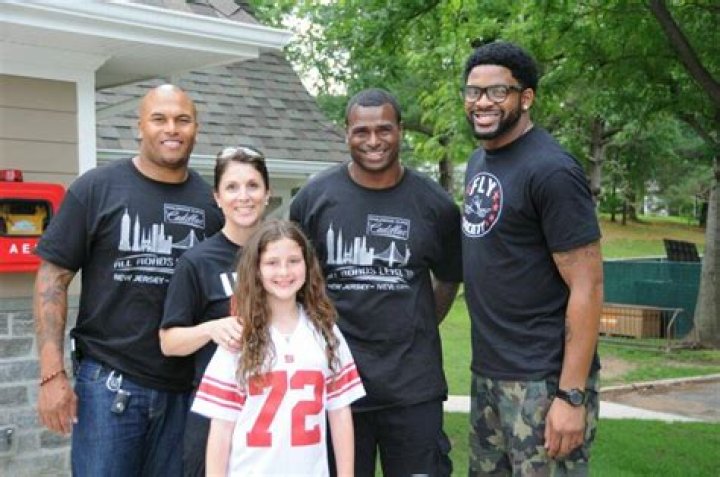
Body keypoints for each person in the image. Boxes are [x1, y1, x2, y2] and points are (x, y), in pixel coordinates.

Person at [33, 84, 224, 476]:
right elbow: (52, 277)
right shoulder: (96, 188)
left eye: (182, 120)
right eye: (159, 119)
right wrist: (52, 374)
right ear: (139, 127)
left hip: (185, 394)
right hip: (108, 387)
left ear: (196, 128)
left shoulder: (212, 204)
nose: (171, 129)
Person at [290, 88, 462, 477]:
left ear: (400, 130)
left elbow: (449, 277)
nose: (373, 141)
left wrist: (417, 324)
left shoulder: (435, 205)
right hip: (337, 385)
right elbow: (295, 283)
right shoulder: (314, 199)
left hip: (413, 388)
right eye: (361, 131)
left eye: (383, 129)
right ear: (346, 133)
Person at [460, 41, 604, 475]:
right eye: (473, 92)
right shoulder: (478, 162)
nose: (482, 102)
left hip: (542, 381)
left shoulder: (552, 170)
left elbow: (588, 284)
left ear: (525, 98)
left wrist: (571, 396)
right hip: (489, 373)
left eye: (497, 91)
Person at [191, 219, 365, 476]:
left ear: (307, 265)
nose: (284, 272)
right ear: (256, 270)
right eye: (272, 263)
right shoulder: (239, 336)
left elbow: (340, 413)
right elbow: (221, 428)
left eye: (293, 261)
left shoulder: (325, 332)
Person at [159, 145, 270, 476]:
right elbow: (169, 342)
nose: (243, 196)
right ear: (218, 198)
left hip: (273, 407)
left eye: (253, 185)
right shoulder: (197, 262)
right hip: (215, 411)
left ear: (267, 194)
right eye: (232, 187)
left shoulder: (285, 257)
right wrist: (210, 329)